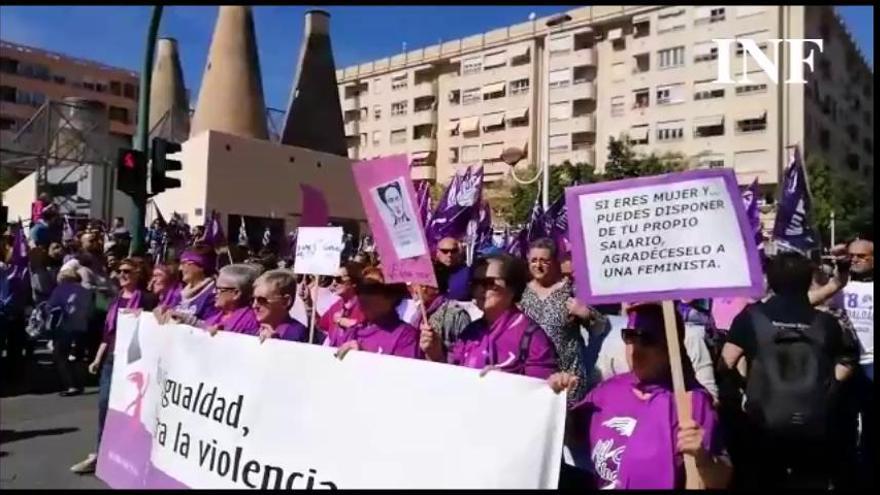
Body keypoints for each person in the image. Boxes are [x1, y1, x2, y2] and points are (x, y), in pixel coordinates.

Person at [548, 303, 731, 489]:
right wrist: (556, 399)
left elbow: (721, 480)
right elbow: (569, 435)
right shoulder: (608, 389)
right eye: (630, 336)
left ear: (670, 347)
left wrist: (703, 458)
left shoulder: (692, 402)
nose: (635, 347)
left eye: (647, 339)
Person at [719, 251, 859, 489]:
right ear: (807, 281)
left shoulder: (751, 317)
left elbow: (726, 362)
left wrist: (744, 385)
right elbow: (847, 361)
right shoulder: (826, 323)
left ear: (770, 281)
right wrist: (828, 387)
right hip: (814, 423)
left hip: (762, 423)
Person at [71, 258, 157, 474]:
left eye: (127, 271)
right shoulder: (115, 300)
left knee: (132, 410)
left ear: (138, 273)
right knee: (105, 405)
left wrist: (145, 317)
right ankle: (101, 452)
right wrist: (97, 359)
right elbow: (108, 334)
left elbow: (155, 326)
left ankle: (128, 454)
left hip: (136, 361)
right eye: (119, 271)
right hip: (112, 358)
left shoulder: (148, 299)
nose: (122, 274)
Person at [421, 254, 558, 379]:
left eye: (489, 283)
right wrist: (435, 354)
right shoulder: (470, 332)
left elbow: (542, 392)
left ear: (512, 288)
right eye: (475, 283)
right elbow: (451, 378)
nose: (480, 289)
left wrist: (507, 382)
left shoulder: (532, 337)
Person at [520, 238, 598, 404]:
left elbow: (601, 327)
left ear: (554, 262)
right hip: (533, 379)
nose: (538, 266)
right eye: (534, 260)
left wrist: (586, 314)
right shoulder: (521, 293)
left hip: (568, 379)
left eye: (544, 261)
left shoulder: (571, 290)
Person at [841, 238, 873, 488]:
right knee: (845, 421)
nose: (855, 260)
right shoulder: (840, 286)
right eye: (852, 256)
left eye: (861, 256)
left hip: (872, 364)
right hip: (847, 364)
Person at [331, 279, 421, 359]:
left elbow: (402, 375)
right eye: (361, 289)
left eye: (372, 290)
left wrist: (363, 356)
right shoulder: (354, 331)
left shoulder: (405, 335)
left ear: (390, 298)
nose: (364, 295)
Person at [45, 265, 94, 396]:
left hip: (65, 327)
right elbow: (90, 312)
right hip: (82, 327)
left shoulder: (60, 290)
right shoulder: (86, 291)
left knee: (61, 356)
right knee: (79, 357)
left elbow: (50, 307)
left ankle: (70, 384)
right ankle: (81, 383)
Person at [409, 262, 471, 350]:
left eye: (417, 283)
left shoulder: (456, 315)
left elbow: (465, 352)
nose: (414, 289)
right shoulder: (418, 315)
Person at [158, 244, 218, 326]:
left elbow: (212, 326)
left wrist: (188, 320)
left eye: (184, 263)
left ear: (201, 266)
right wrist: (163, 312)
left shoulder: (213, 295)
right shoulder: (181, 294)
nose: (180, 268)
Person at [315, 261, 365, 344]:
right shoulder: (336, 306)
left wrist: (348, 323)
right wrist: (308, 305)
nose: (334, 283)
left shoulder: (366, 307)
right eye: (332, 279)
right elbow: (321, 325)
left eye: (338, 279)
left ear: (354, 282)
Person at [252, 269, 310, 342]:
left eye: (262, 300)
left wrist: (276, 343)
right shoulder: (252, 330)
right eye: (253, 299)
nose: (254, 306)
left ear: (285, 302)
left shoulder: (298, 334)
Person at [203, 264, 261, 335]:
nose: (214, 292)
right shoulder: (212, 319)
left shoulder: (251, 322)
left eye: (219, 289)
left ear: (236, 293)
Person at [434, 237, 472, 302]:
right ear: (437, 252)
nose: (449, 255)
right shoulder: (431, 272)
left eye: (454, 251)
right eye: (445, 251)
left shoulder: (468, 272)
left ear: (459, 252)